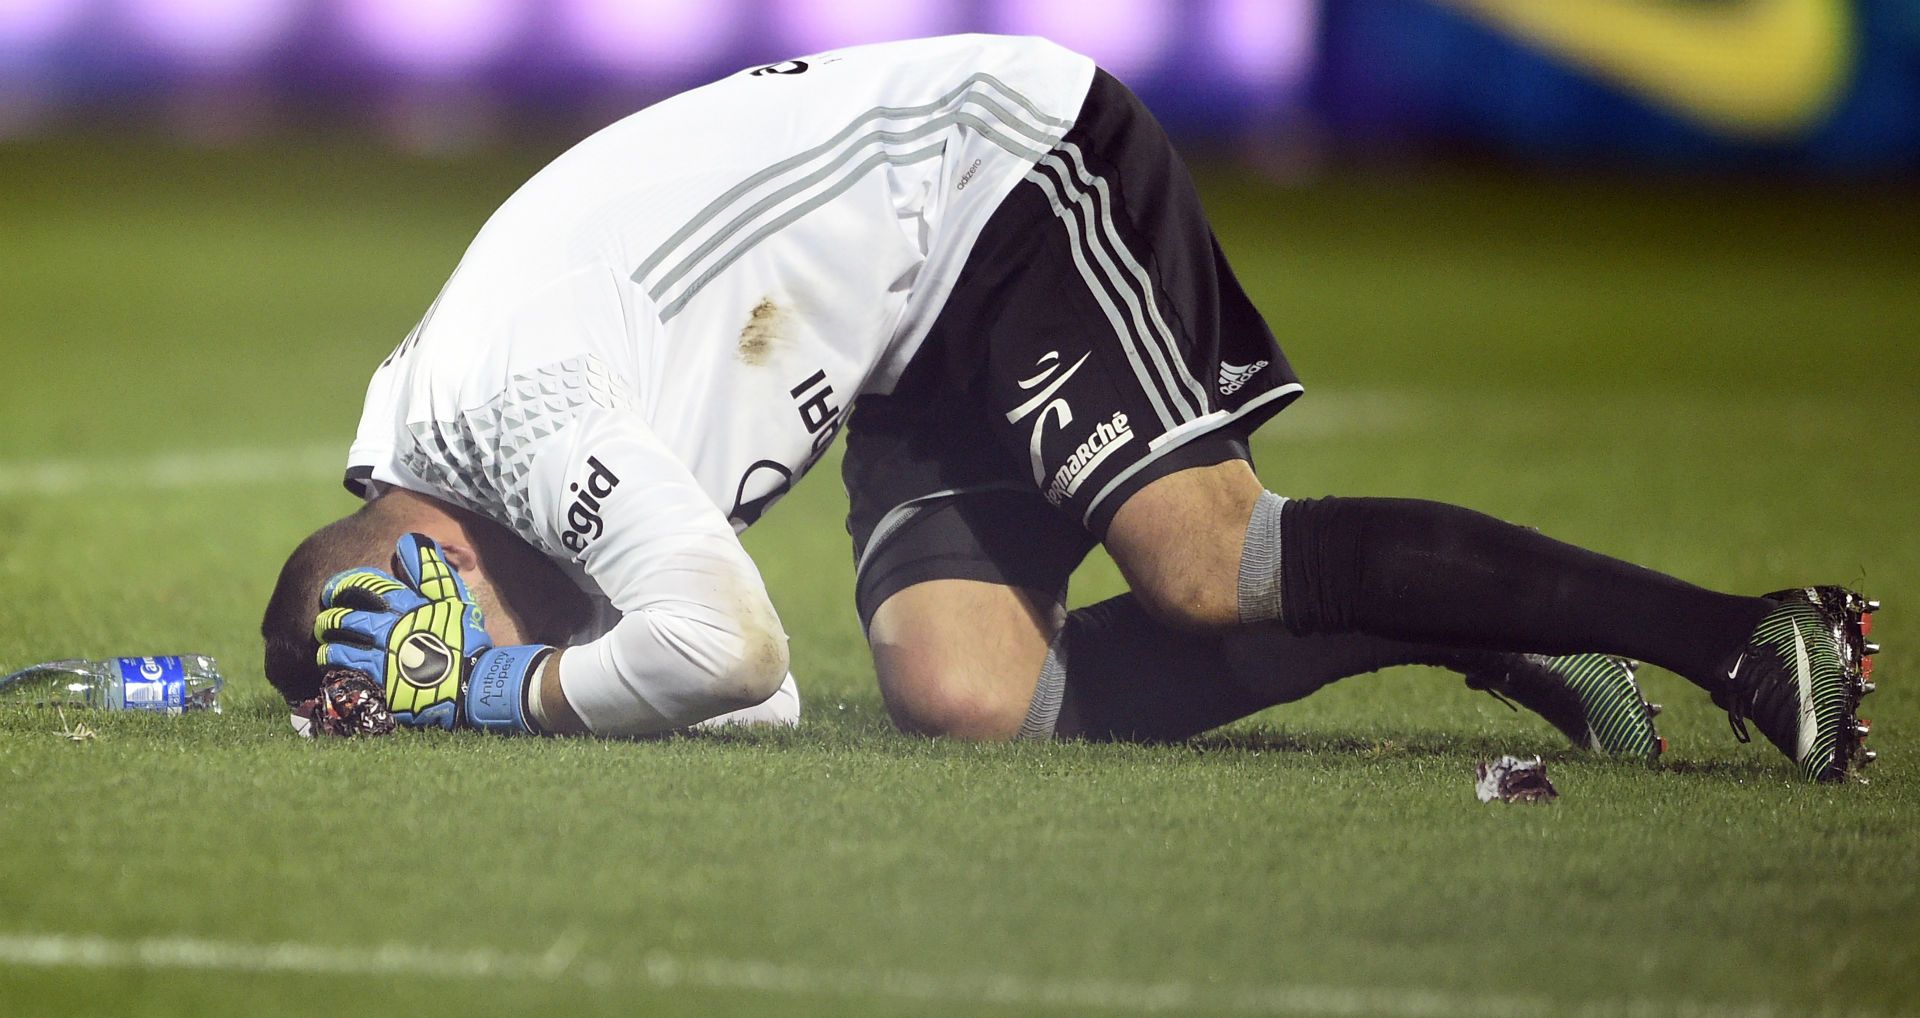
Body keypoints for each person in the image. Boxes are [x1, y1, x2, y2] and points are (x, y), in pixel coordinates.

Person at [259, 34, 1879, 780]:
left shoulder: (524, 412)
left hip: (994, 172)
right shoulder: (446, 465)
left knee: (1202, 558)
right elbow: (728, 698)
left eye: (433, 639)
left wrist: (503, 699)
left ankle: (1744, 638)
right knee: (974, 698)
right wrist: (538, 674)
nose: (459, 650)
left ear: (425, 564)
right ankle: (1454, 622)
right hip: (899, 319)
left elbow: (731, 654)